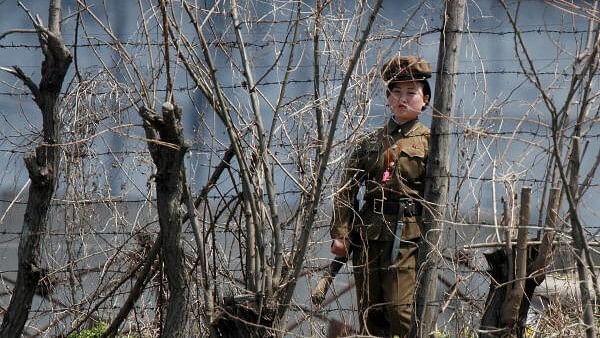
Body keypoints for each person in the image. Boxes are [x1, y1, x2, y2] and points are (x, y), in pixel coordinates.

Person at [330, 55, 432, 337]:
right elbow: (346, 187)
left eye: (411, 93)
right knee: (370, 311)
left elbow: (437, 194)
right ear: (388, 98)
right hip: (369, 234)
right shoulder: (371, 141)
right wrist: (341, 233)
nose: (403, 98)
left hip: (408, 236)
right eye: (396, 92)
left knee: (401, 312)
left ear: (424, 100)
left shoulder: (430, 142)